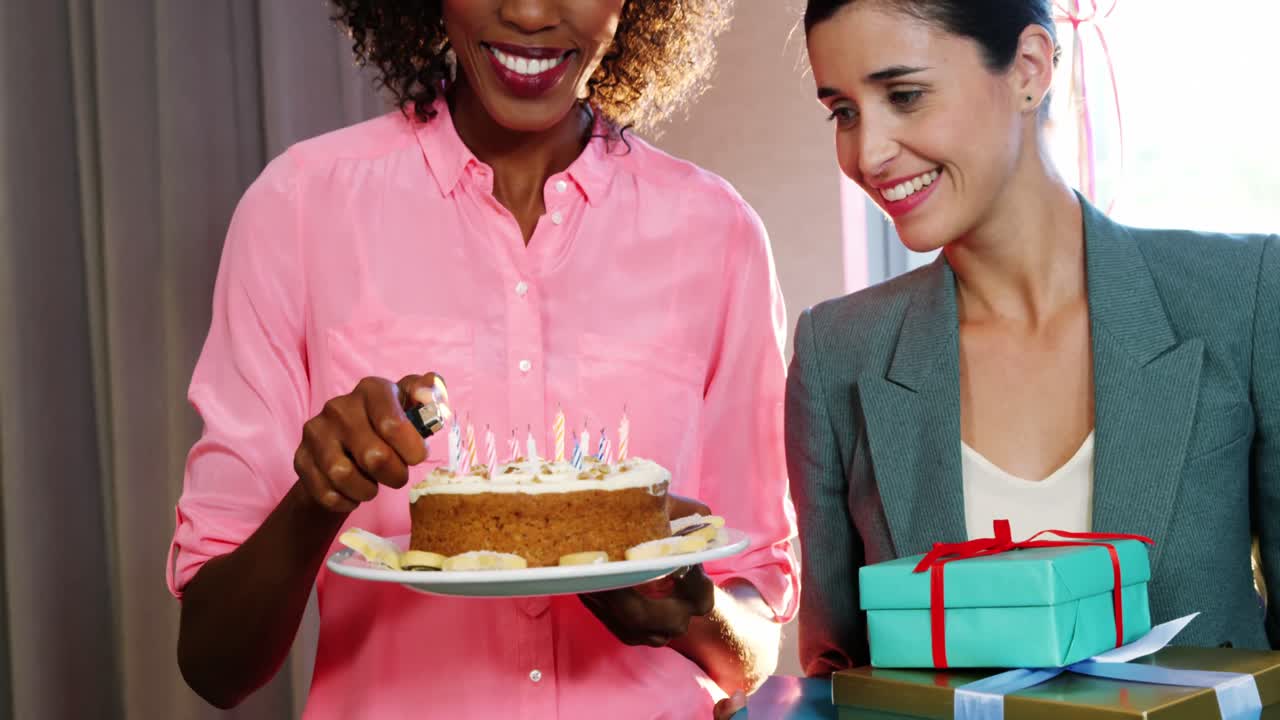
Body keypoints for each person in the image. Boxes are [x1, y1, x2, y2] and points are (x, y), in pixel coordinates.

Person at [167, 1, 799, 716]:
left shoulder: (718, 234)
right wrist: (320, 498)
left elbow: (754, 640)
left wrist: (693, 610)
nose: (529, 11)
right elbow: (213, 664)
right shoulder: (296, 210)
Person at [787, 0, 1279, 676]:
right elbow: (838, 680)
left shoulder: (1241, 296)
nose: (867, 152)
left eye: (905, 95)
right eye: (843, 112)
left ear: (1028, 68)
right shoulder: (836, 353)